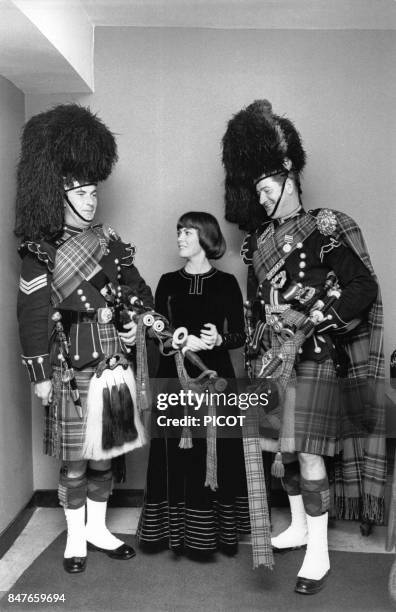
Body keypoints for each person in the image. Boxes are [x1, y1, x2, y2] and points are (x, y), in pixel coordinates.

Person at [221, 99, 385, 594]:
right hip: (269, 361)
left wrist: (319, 319)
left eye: (268, 188)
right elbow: (254, 309)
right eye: (257, 189)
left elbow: (363, 287)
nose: (262, 197)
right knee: (283, 454)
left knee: (311, 457)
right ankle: (295, 526)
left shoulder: (324, 228)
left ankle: (318, 552)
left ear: (290, 178)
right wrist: (254, 351)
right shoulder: (258, 243)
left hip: (312, 357)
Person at [15, 104, 154, 574]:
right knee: (75, 459)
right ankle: (76, 537)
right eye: (82, 193)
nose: (92, 201)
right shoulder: (40, 250)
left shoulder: (111, 241)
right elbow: (32, 312)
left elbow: (139, 292)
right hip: (69, 364)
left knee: (105, 453)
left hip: (113, 359)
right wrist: (39, 375)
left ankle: (98, 528)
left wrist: (139, 320)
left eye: (94, 192)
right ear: (62, 196)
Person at [137, 211, 250, 557]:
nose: (180, 238)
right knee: (175, 455)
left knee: (213, 453)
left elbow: (240, 336)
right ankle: (170, 536)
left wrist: (218, 339)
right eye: (179, 232)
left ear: (205, 237)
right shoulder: (167, 282)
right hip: (174, 380)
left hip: (214, 380)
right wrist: (177, 342)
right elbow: (156, 334)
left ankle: (215, 538)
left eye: (187, 232)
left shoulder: (227, 282)